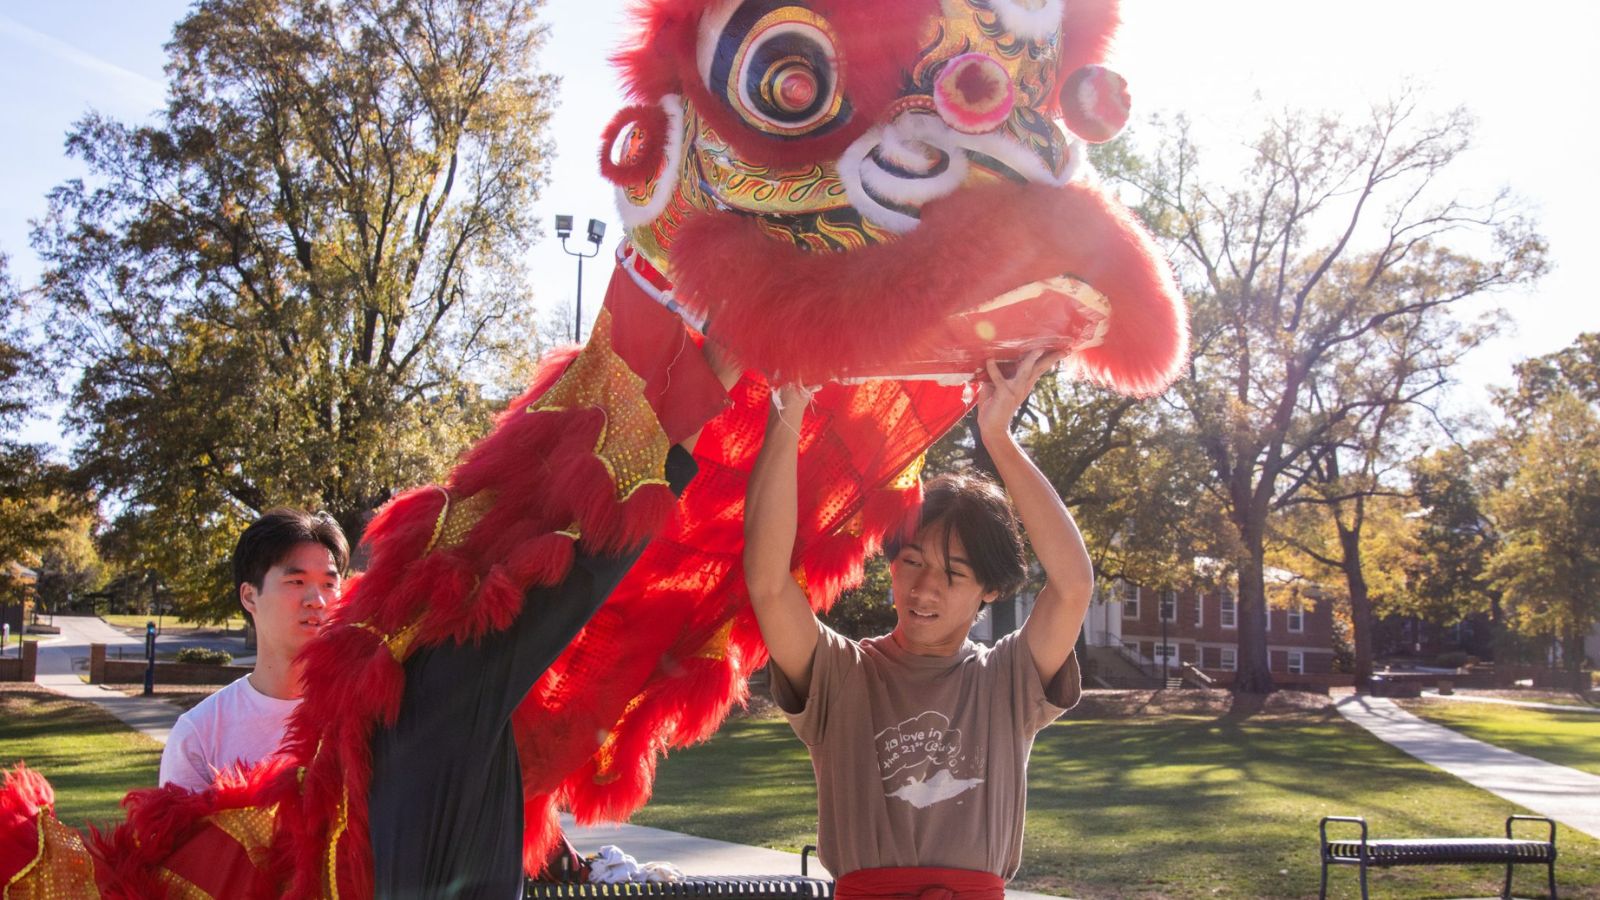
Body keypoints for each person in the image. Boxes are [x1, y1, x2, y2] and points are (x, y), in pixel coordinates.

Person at [744, 350, 1092, 897]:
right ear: (891, 563)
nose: (925, 587)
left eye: (954, 574)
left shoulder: (1006, 680)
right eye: (912, 561)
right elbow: (767, 583)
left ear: (991, 590)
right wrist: (788, 406)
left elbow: (1073, 586)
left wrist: (998, 436)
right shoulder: (841, 673)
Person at [158, 508, 348, 791]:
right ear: (249, 596)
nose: (317, 600)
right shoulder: (200, 734)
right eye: (296, 581)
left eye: (329, 584)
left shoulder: (365, 718)